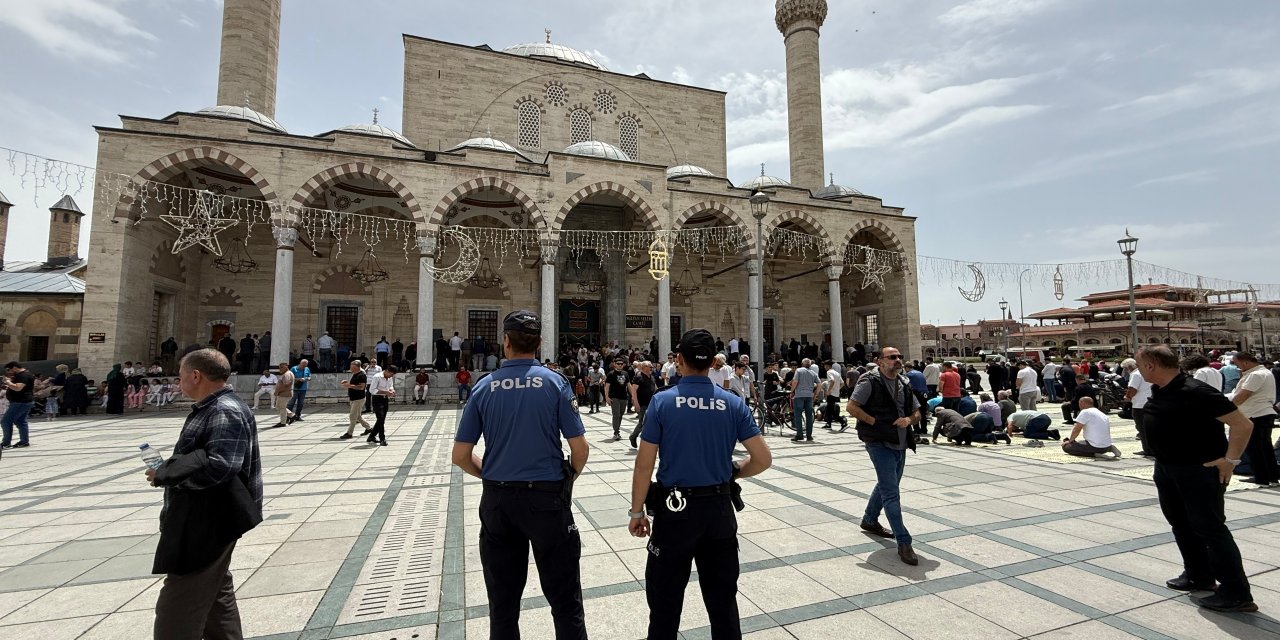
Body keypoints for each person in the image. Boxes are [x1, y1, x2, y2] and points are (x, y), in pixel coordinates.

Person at [452, 310, 589, 639]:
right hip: (546, 499)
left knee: (502, 605)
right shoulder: (555, 383)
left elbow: (460, 455)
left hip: (499, 501)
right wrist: (566, 478)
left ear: (506, 342)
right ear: (539, 343)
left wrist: (491, 473)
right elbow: (580, 449)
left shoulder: (485, 387)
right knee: (565, 601)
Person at [627, 328, 772, 639]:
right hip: (718, 511)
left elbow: (644, 465)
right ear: (712, 363)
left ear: (679, 360)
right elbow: (762, 459)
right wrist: (732, 471)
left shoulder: (664, 402)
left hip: (675, 511)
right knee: (723, 605)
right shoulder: (732, 403)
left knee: (664, 606)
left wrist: (637, 512)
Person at [146, 349, 263, 639]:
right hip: (208, 517)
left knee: (179, 604)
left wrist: (168, 474)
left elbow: (222, 466)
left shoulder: (224, 409)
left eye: (181, 375)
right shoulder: (215, 407)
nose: (178, 382)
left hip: (207, 520)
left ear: (196, 375)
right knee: (216, 596)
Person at [1137, 345, 1256, 612]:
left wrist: (1231, 460)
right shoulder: (1161, 390)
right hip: (1168, 468)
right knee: (1180, 524)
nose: (1138, 369)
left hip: (1198, 470)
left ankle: (1237, 593)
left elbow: (1242, 425)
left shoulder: (1196, 391)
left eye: (1139, 364)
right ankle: (1198, 575)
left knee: (1211, 529)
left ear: (1151, 365)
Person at [846, 347, 921, 565]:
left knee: (888, 483)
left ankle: (870, 519)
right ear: (880, 361)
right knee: (891, 493)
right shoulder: (869, 381)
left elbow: (916, 411)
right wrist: (874, 423)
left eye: (899, 357)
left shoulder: (904, 382)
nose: (897, 360)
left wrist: (909, 420)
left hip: (900, 441)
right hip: (879, 442)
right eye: (892, 357)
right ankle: (904, 541)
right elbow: (852, 406)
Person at [1230, 351, 1277, 486]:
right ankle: (1271, 476)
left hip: (1255, 413)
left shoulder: (1255, 375)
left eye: (1238, 364)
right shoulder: (1265, 372)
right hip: (1264, 412)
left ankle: (1261, 477)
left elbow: (1243, 395)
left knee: (1254, 447)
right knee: (1265, 447)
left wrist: (1228, 407)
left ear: (1245, 362)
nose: (1238, 367)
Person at [1122, 358, 1154, 456]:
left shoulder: (1135, 374)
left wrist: (1127, 397)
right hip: (1151, 402)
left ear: (1129, 367)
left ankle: (1147, 449)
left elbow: (1132, 389)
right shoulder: (1147, 372)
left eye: (1125, 369)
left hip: (1139, 405)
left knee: (1142, 428)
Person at [1, 362, 36, 449]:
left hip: (20, 402)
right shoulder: (24, 374)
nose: (10, 372)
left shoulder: (23, 376)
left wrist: (8, 382)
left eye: (10, 370)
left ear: (15, 367)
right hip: (24, 401)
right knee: (21, 421)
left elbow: (18, 388)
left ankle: (6, 443)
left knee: (5, 421)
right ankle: (24, 442)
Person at [627, 361, 657, 448]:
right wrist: (636, 403)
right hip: (642, 403)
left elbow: (654, 387)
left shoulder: (652, 377)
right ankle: (633, 436)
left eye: (652, 367)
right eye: (650, 367)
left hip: (651, 403)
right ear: (644, 367)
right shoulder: (639, 377)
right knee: (642, 422)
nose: (652, 369)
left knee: (652, 422)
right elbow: (634, 390)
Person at [339, 360, 370, 440]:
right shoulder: (355, 374)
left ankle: (349, 433)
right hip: (353, 398)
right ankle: (369, 428)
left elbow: (361, 387)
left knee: (352, 416)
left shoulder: (362, 375)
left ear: (356, 367)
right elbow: (354, 384)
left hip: (358, 399)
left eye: (351, 366)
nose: (350, 367)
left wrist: (349, 386)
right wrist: (347, 383)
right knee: (358, 416)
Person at [790, 358, 819, 443]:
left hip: (799, 395)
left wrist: (792, 391)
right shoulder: (813, 373)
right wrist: (815, 394)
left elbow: (795, 381)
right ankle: (809, 436)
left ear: (802, 364)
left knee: (798, 415)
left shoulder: (799, 370)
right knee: (809, 416)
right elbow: (819, 384)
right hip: (809, 396)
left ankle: (799, 434)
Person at [367, 365, 396, 445]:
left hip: (385, 399)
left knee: (381, 419)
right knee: (380, 418)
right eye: (391, 374)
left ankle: (371, 436)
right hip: (377, 399)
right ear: (387, 371)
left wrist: (391, 390)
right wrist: (385, 392)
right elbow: (372, 390)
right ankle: (382, 438)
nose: (391, 376)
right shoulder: (377, 377)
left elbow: (390, 386)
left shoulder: (390, 378)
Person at [604, 358, 632, 440]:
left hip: (623, 397)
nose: (620, 365)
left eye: (621, 364)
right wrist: (607, 397)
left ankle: (617, 429)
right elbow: (607, 387)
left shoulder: (625, 374)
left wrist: (633, 396)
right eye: (618, 363)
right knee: (616, 415)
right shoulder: (611, 374)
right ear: (615, 364)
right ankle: (616, 432)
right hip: (614, 397)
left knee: (621, 414)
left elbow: (629, 385)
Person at [822, 360, 845, 430]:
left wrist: (829, 390)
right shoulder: (837, 373)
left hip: (831, 393)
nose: (824, 367)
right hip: (836, 394)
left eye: (825, 366)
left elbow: (832, 381)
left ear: (828, 366)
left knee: (831, 410)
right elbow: (842, 383)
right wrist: (837, 389)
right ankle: (828, 423)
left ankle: (843, 421)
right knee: (829, 409)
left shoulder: (829, 372)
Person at [286, 359, 311, 424]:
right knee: (291, 403)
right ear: (300, 363)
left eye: (305, 365)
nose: (304, 367)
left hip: (303, 388)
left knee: (301, 403)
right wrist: (298, 379)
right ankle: (288, 416)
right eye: (303, 365)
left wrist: (306, 379)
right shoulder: (294, 369)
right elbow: (290, 377)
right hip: (295, 388)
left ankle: (297, 416)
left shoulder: (307, 369)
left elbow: (309, 376)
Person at [270, 363, 294, 428]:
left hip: (284, 394)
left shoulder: (287, 374)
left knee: (282, 408)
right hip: (283, 393)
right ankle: (291, 415)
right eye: (279, 367)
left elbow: (286, 384)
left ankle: (283, 422)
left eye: (282, 367)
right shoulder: (287, 374)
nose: (280, 369)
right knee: (278, 407)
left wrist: (277, 391)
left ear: (286, 367)